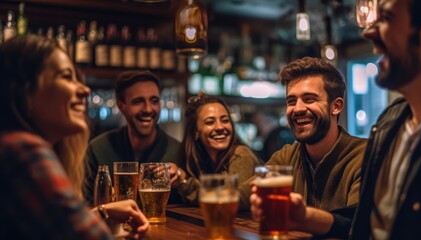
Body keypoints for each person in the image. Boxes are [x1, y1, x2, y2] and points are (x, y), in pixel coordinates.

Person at [251, 0, 421, 239]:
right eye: (291, 101)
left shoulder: (366, 148)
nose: (368, 32)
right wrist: (303, 217)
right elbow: (363, 225)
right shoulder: (390, 123)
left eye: (386, 18)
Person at [0, 35, 149, 239]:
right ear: (26, 91)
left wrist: (101, 214)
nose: (85, 90)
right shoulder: (23, 151)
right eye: (66, 77)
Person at [242, 57, 367, 212]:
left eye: (309, 99)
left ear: (336, 106)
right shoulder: (287, 157)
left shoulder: (364, 157)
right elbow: (241, 197)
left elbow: (356, 224)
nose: (298, 109)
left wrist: (304, 217)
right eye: (291, 101)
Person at [84, 70, 182, 206]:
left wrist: (182, 181)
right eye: (138, 101)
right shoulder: (98, 149)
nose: (148, 109)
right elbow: (85, 205)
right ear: (121, 106)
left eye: (154, 101)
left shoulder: (178, 152)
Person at [173, 92, 261, 205]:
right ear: (196, 131)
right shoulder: (199, 160)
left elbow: (228, 198)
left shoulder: (241, 155)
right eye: (210, 122)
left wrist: (184, 182)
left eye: (225, 120)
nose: (220, 127)